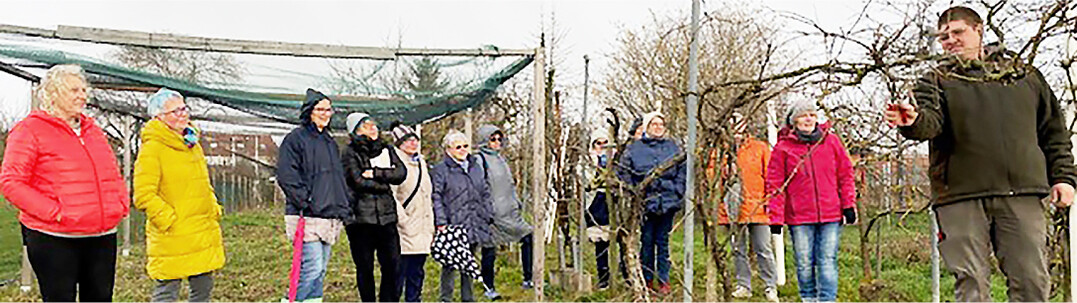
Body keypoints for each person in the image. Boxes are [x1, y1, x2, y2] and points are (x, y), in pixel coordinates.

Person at [885, 6, 1075, 302]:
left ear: (979, 30)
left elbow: (1053, 130)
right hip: (961, 196)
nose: (950, 40)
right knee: (971, 285)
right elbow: (930, 123)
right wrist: (912, 121)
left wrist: (1063, 177)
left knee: (1032, 281)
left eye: (958, 32)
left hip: (1022, 193)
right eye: (943, 36)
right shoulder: (935, 80)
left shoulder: (1022, 74)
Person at [0, 64, 129, 302]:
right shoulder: (29, 130)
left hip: (101, 235)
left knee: (101, 298)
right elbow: (11, 182)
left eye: (83, 90)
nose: (83, 95)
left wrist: (120, 203)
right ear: (53, 92)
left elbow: (113, 172)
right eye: (74, 90)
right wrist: (55, 212)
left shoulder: (93, 131)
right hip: (54, 237)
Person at [133, 88, 225, 302]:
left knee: (203, 288)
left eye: (184, 108)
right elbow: (143, 194)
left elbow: (203, 182)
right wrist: (167, 219)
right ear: (160, 117)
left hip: (201, 228)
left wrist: (212, 206)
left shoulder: (192, 143)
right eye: (175, 111)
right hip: (172, 233)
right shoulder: (152, 148)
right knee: (167, 290)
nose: (183, 114)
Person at [765, 102, 857, 302]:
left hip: (831, 213)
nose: (808, 119)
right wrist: (775, 218)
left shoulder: (831, 142)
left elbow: (846, 174)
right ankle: (808, 298)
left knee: (827, 260)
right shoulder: (783, 148)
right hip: (800, 217)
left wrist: (848, 204)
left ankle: (827, 300)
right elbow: (775, 185)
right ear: (794, 120)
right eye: (803, 115)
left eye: (812, 115)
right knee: (804, 262)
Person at [277, 88, 353, 302]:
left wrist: (343, 205)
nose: (325, 113)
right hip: (306, 215)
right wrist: (307, 201)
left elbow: (335, 179)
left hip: (329, 215)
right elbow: (286, 175)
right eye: (320, 109)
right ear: (309, 111)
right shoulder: (295, 139)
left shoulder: (329, 142)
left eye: (328, 110)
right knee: (311, 269)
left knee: (320, 273)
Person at [342, 112, 407, 302]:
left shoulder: (386, 148)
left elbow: (400, 173)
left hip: (386, 217)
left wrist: (376, 173)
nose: (373, 128)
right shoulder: (349, 152)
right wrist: (385, 184)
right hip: (360, 219)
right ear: (355, 130)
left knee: (393, 265)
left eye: (374, 125)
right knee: (365, 268)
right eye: (366, 125)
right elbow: (357, 181)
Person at [619, 111, 685, 295]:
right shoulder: (634, 149)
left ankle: (664, 279)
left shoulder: (672, 147)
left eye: (660, 124)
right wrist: (635, 192)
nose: (658, 127)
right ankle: (647, 279)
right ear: (647, 127)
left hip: (668, 201)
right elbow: (624, 172)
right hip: (645, 203)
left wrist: (677, 190)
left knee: (663, 241)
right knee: (646, 241)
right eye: (653, 124)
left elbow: (682, 170)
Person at [716, 116, 778, 302]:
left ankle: (770, 286)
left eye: (740, 124)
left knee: (763, 248)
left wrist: (769, 202)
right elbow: (712, 179)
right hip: (731, 208)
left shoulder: (760, 148)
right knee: (738, 249)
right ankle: (743, 285)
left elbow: (771, 176)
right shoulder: (721, 151)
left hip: (758, 208)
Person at [431, 130, 495, 302]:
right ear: (448, 150)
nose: (462, 149)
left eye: (465, 146)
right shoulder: (440, 170)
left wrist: (488, 213)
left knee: (470, 263)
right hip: (453, 224)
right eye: (457, 147)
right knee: (450, 264)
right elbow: (435, 196)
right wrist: (441, 221)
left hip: (474, 222)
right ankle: (446, 298)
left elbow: (485, 191)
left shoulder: (476, 166)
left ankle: (468, 298)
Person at [474, 124, 534, 299]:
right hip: (493, 215)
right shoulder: (480, 160)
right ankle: (488, 287)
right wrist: (486, 210)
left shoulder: (501, 159)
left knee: (528, 237)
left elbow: (509, 184)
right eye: (493, 139)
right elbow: (479, 187)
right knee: (489, 249)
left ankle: (528, 279)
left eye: (499, 139)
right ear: (485, 141)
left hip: (511, 212)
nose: (497, 142)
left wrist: (516, 201)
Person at [387, 123, 435, 303]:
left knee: (417, 272)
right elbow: (392, 196)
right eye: (407, 140)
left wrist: (430, 225)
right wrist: (403, 220)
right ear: (399, 143)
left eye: (415, 139)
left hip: (422, 226)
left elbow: (427, 195)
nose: (413, 143)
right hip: (404, 229)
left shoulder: (421, 162)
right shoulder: (395, 164)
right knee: (399, 273)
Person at [584, 128, 627, 289]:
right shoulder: (587, 163)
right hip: (596, 205)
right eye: (598, 143)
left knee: (622, 241)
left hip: (616, 204)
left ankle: (626, 276)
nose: (602, 146)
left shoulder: (619, 162)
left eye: (605, 143)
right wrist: (598, 168)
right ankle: (604, 278)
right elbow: (588, 183)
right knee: (601, 244)